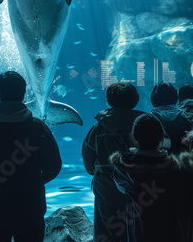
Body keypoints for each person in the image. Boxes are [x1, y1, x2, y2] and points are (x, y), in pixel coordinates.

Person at [0, 71, 62, 242]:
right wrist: (34, 180)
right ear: (23, 93)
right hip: (31, 206)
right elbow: (54, 166)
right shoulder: (38, 128)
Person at [82, 83, 143, 242]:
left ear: (109, 100)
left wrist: (95, 172)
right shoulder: (144, 124)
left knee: (105, 230)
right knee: (139, 229)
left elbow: (88, 159)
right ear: (135, 100)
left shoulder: (98, 128)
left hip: (106, 186)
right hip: (141, 186)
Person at [110, 114, 184, 242]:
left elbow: (122, 189)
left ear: (135, 136)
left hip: (139, 222)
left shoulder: (123, 165)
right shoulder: (175, 167)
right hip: (168, 223)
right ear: (161, 136)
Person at [150, 82, 191, 153]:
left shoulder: (150, 118)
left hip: (159, 159)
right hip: (181, 158)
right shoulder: (184, 116)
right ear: (174, 96)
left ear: (154, 97)